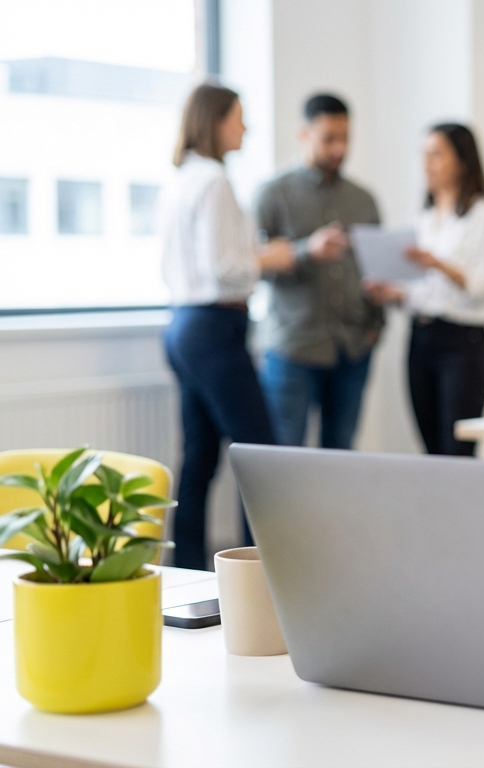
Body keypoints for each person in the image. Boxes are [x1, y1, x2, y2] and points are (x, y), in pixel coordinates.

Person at [159, 84, 293, 569]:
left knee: (201, 457)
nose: (246, 126)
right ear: (215, 121)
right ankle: (262, 573)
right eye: (239, 116)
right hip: (214, 328)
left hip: (182, 326)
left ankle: (188, 570)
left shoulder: (179, 178)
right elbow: (223, 268)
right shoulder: (214, 179)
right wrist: (268, 257)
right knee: (262, 458)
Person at [254, 93, 384, 449]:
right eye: (330, 139)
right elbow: (252, 266)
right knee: (281, 462)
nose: (339, 149)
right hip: (294, 348)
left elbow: (376, 267)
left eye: (346, 139)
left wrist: (376, 325)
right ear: (304, 134)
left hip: (353, 348)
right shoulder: (272, 195)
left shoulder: (364, 200)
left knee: (340, 460)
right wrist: (304, 251)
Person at [365, 124, 484, 456]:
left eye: (436, 154)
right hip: (422, 337)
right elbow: (426, 291)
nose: (427, 164)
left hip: (462, 343)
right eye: (424, 155)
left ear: (462, 160)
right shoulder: (425, 217)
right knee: (431, 451)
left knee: (456, 451)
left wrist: (437, 263)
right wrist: (395, 294)